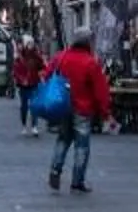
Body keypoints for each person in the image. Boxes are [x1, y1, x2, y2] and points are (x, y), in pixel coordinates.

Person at [46, 31, 112, 193]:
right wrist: (105, 112)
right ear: (88, 42)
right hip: (83, 109)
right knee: (81, 146)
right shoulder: (90, 63)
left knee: (63, 140)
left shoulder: (61, 57)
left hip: (63, 106)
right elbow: (100, 91)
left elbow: (47, 75)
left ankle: (55, 169)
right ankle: (77, 181)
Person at [10, 37, 50, 136]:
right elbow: (15, 71)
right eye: (28, 44)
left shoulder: (37, 57)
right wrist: (21, 80)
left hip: (34, 84)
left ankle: (34, 127)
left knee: (34, 105)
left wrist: (42, 74)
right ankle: (24, 126)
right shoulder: (20, 58)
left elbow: (43, 68)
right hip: (23, 86)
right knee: (24, 106)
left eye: (31, 44)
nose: (30, 46)